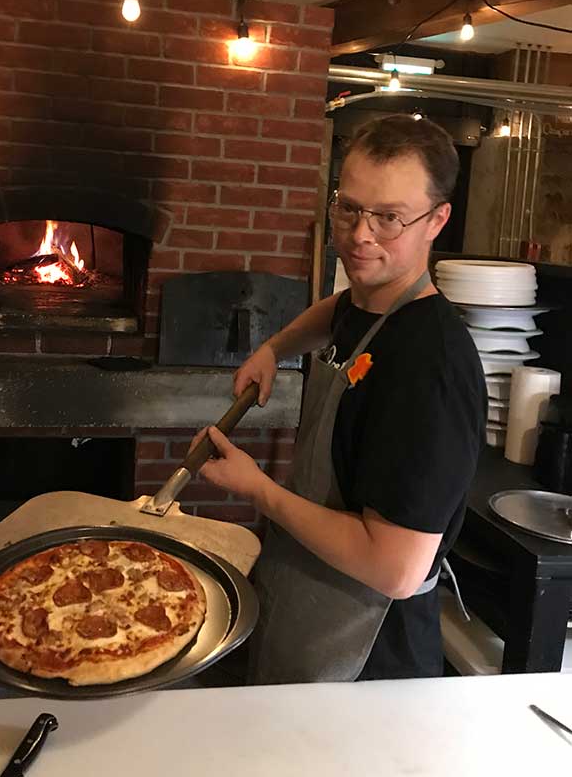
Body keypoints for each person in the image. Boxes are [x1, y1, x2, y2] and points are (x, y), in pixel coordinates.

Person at [192, 114, 486, 683]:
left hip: (367, 653)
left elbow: (395, 568)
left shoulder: (430, 366)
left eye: (389, 217)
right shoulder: (369, 298)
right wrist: (276, 347)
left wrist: (258, 489)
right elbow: (338, 309)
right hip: (304, 597)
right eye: (348, 208)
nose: (359, 235)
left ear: (437, 220)